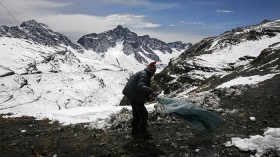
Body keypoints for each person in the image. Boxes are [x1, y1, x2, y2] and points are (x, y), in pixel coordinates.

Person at [122, 61, 158, 138]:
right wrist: (151, 91)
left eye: (155, 71)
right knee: (144, 114)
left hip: (132, 94)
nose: (154, 73)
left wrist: (147, 95)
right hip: (134, 95)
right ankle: (142, 131)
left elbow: (142, 86)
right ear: (150, 70)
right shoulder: (144, 75)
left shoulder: (144, 73)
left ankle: (135, 131)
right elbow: (140, 85)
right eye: (153, 71)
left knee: (136, 114)